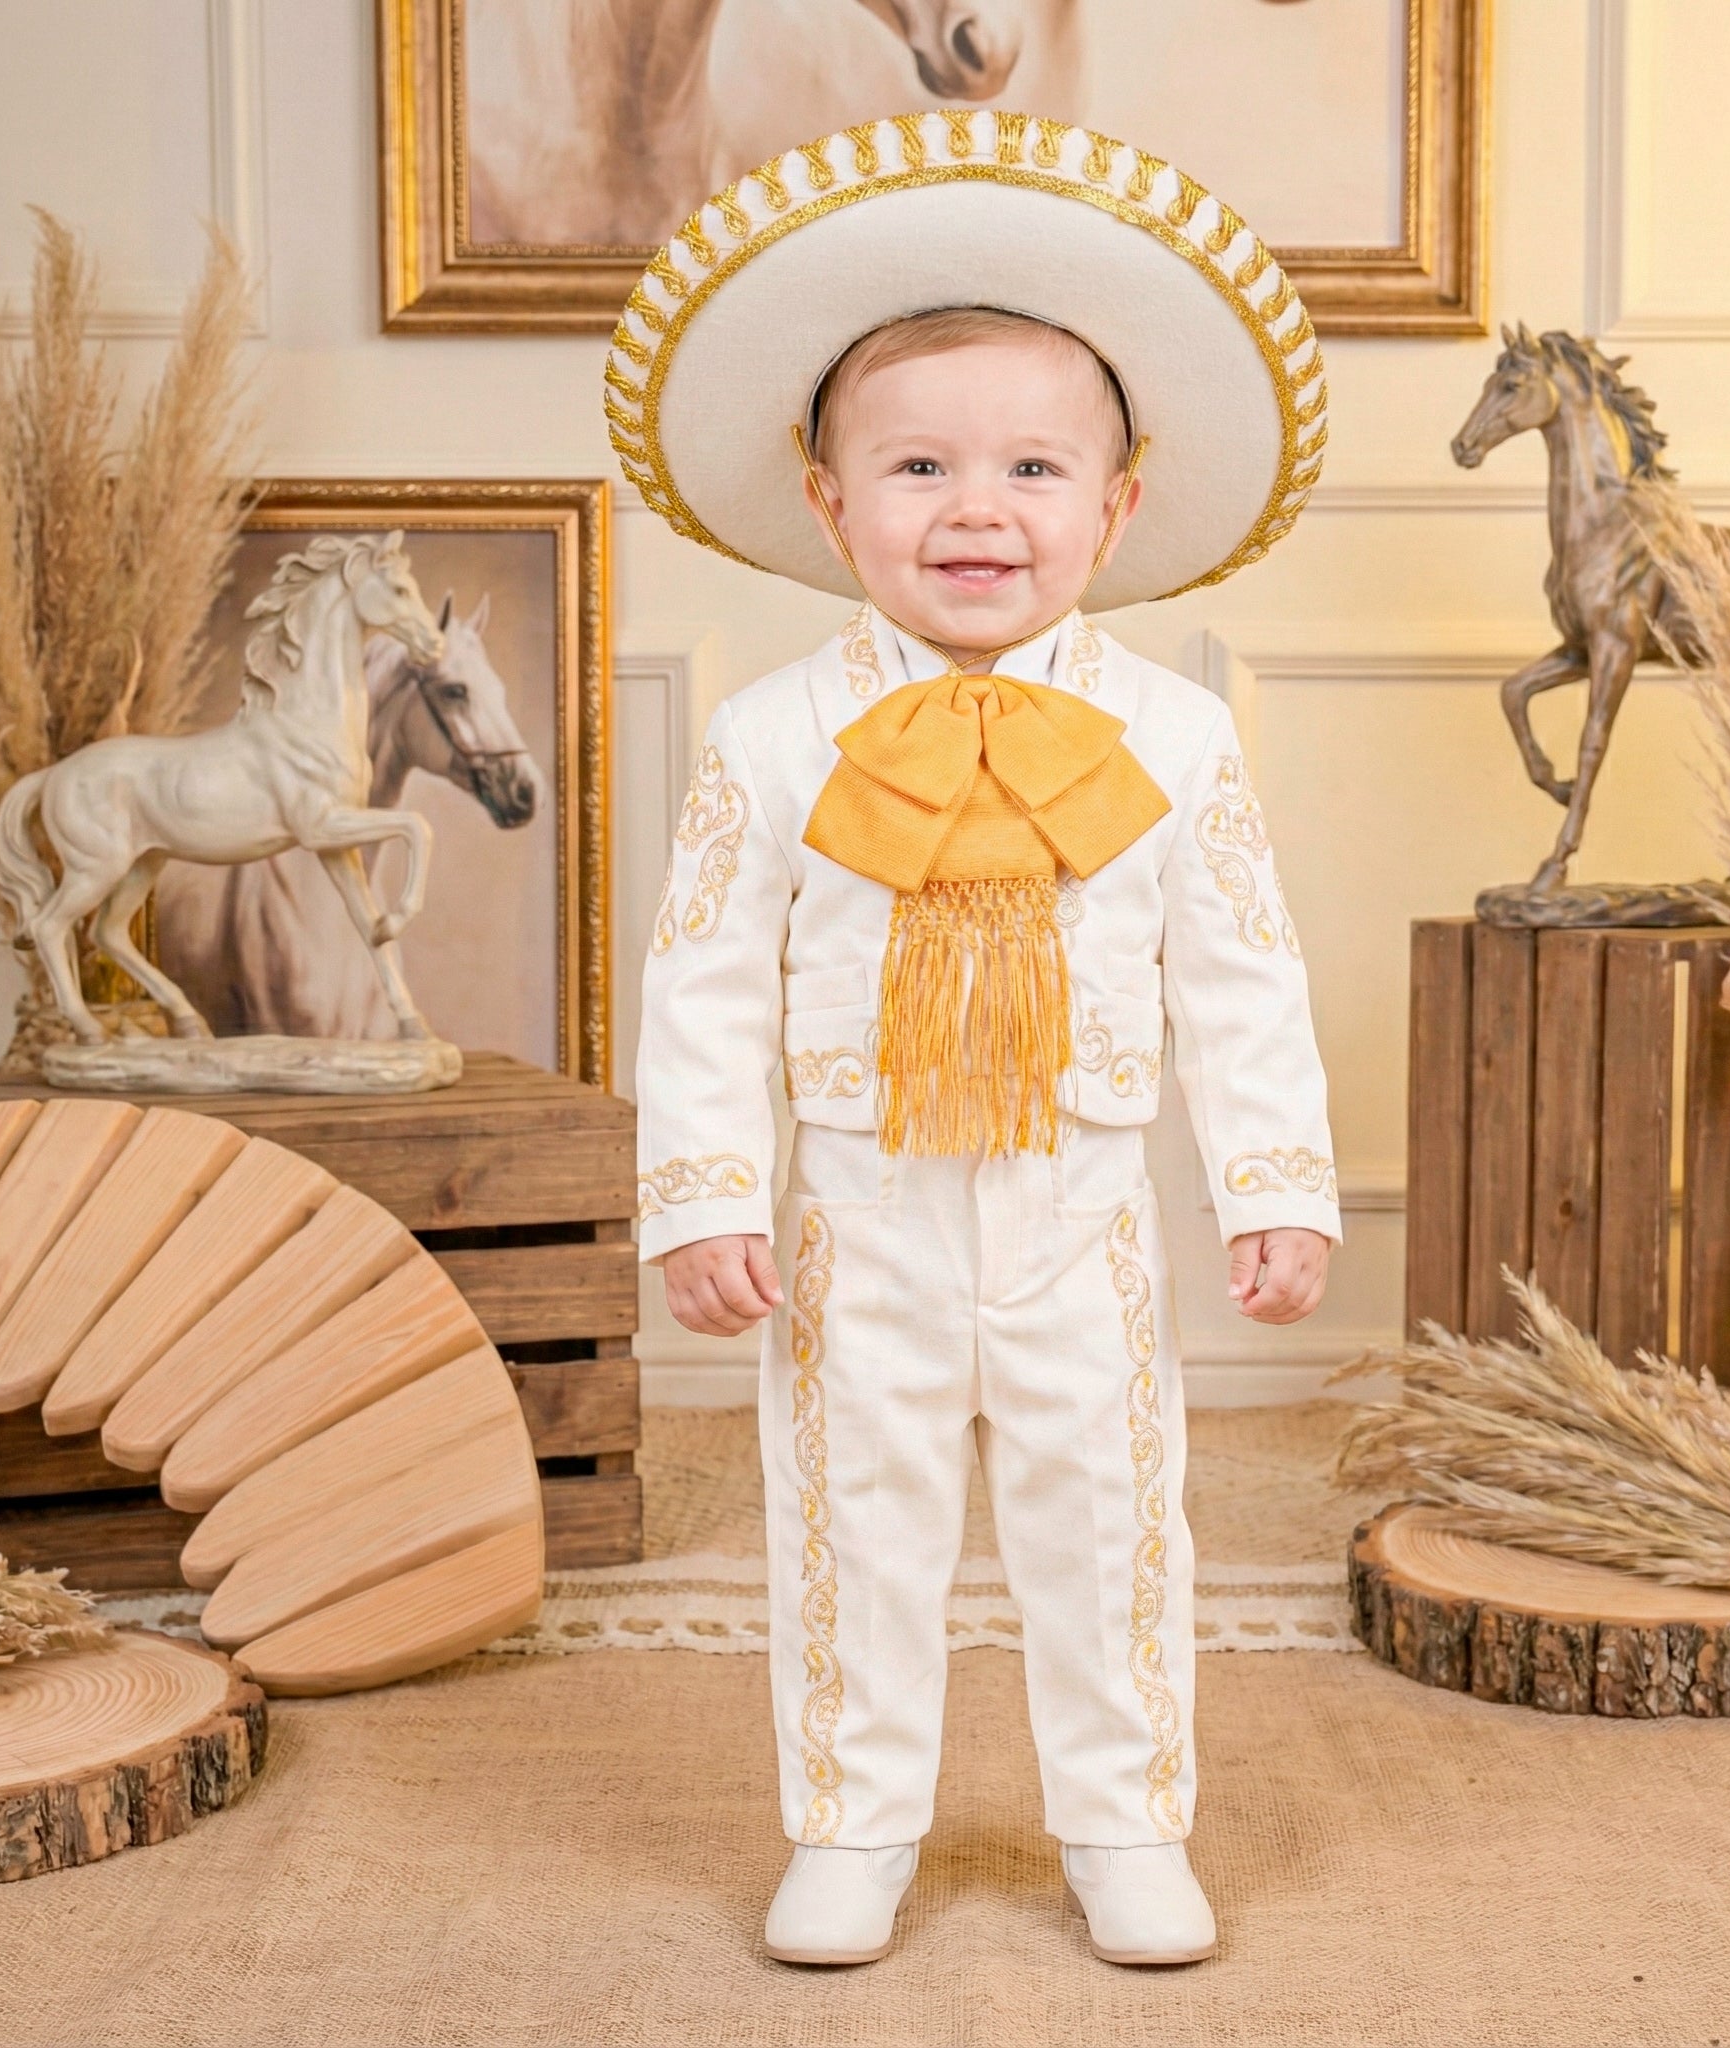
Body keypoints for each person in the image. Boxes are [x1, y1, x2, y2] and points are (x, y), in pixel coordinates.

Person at [610, 110, 1338, 1969]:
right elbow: (701, 977)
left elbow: (1241, 972)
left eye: (1032, 466)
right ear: (828, 496)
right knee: (857, 1516)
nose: (976, 510)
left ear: (1119, 504)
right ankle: (854, 1826)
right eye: (918, 465)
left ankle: (1124, 1827)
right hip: (863, 1208)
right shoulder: (775, 737)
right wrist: (700, 1197)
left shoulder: (1174, 742)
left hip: (1085, 1207)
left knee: (1115, 1522)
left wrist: (1275, 1186)